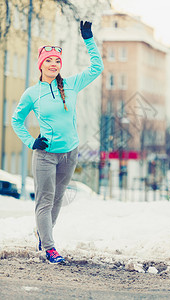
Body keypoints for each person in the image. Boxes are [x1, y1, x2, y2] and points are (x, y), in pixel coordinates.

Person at [11, 21, 104, 264]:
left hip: (70, 153)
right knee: (45, 199)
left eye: (57, 61)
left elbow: (97, 67)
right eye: (49, 61)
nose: (53, 64)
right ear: (41, 65)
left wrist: (88, 39)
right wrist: (31, 142)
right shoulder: (32, 93)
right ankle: (50, 247)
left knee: (57, 199)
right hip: (46, 155)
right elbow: (16, 120)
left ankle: (44, 234)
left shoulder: (71, 84)